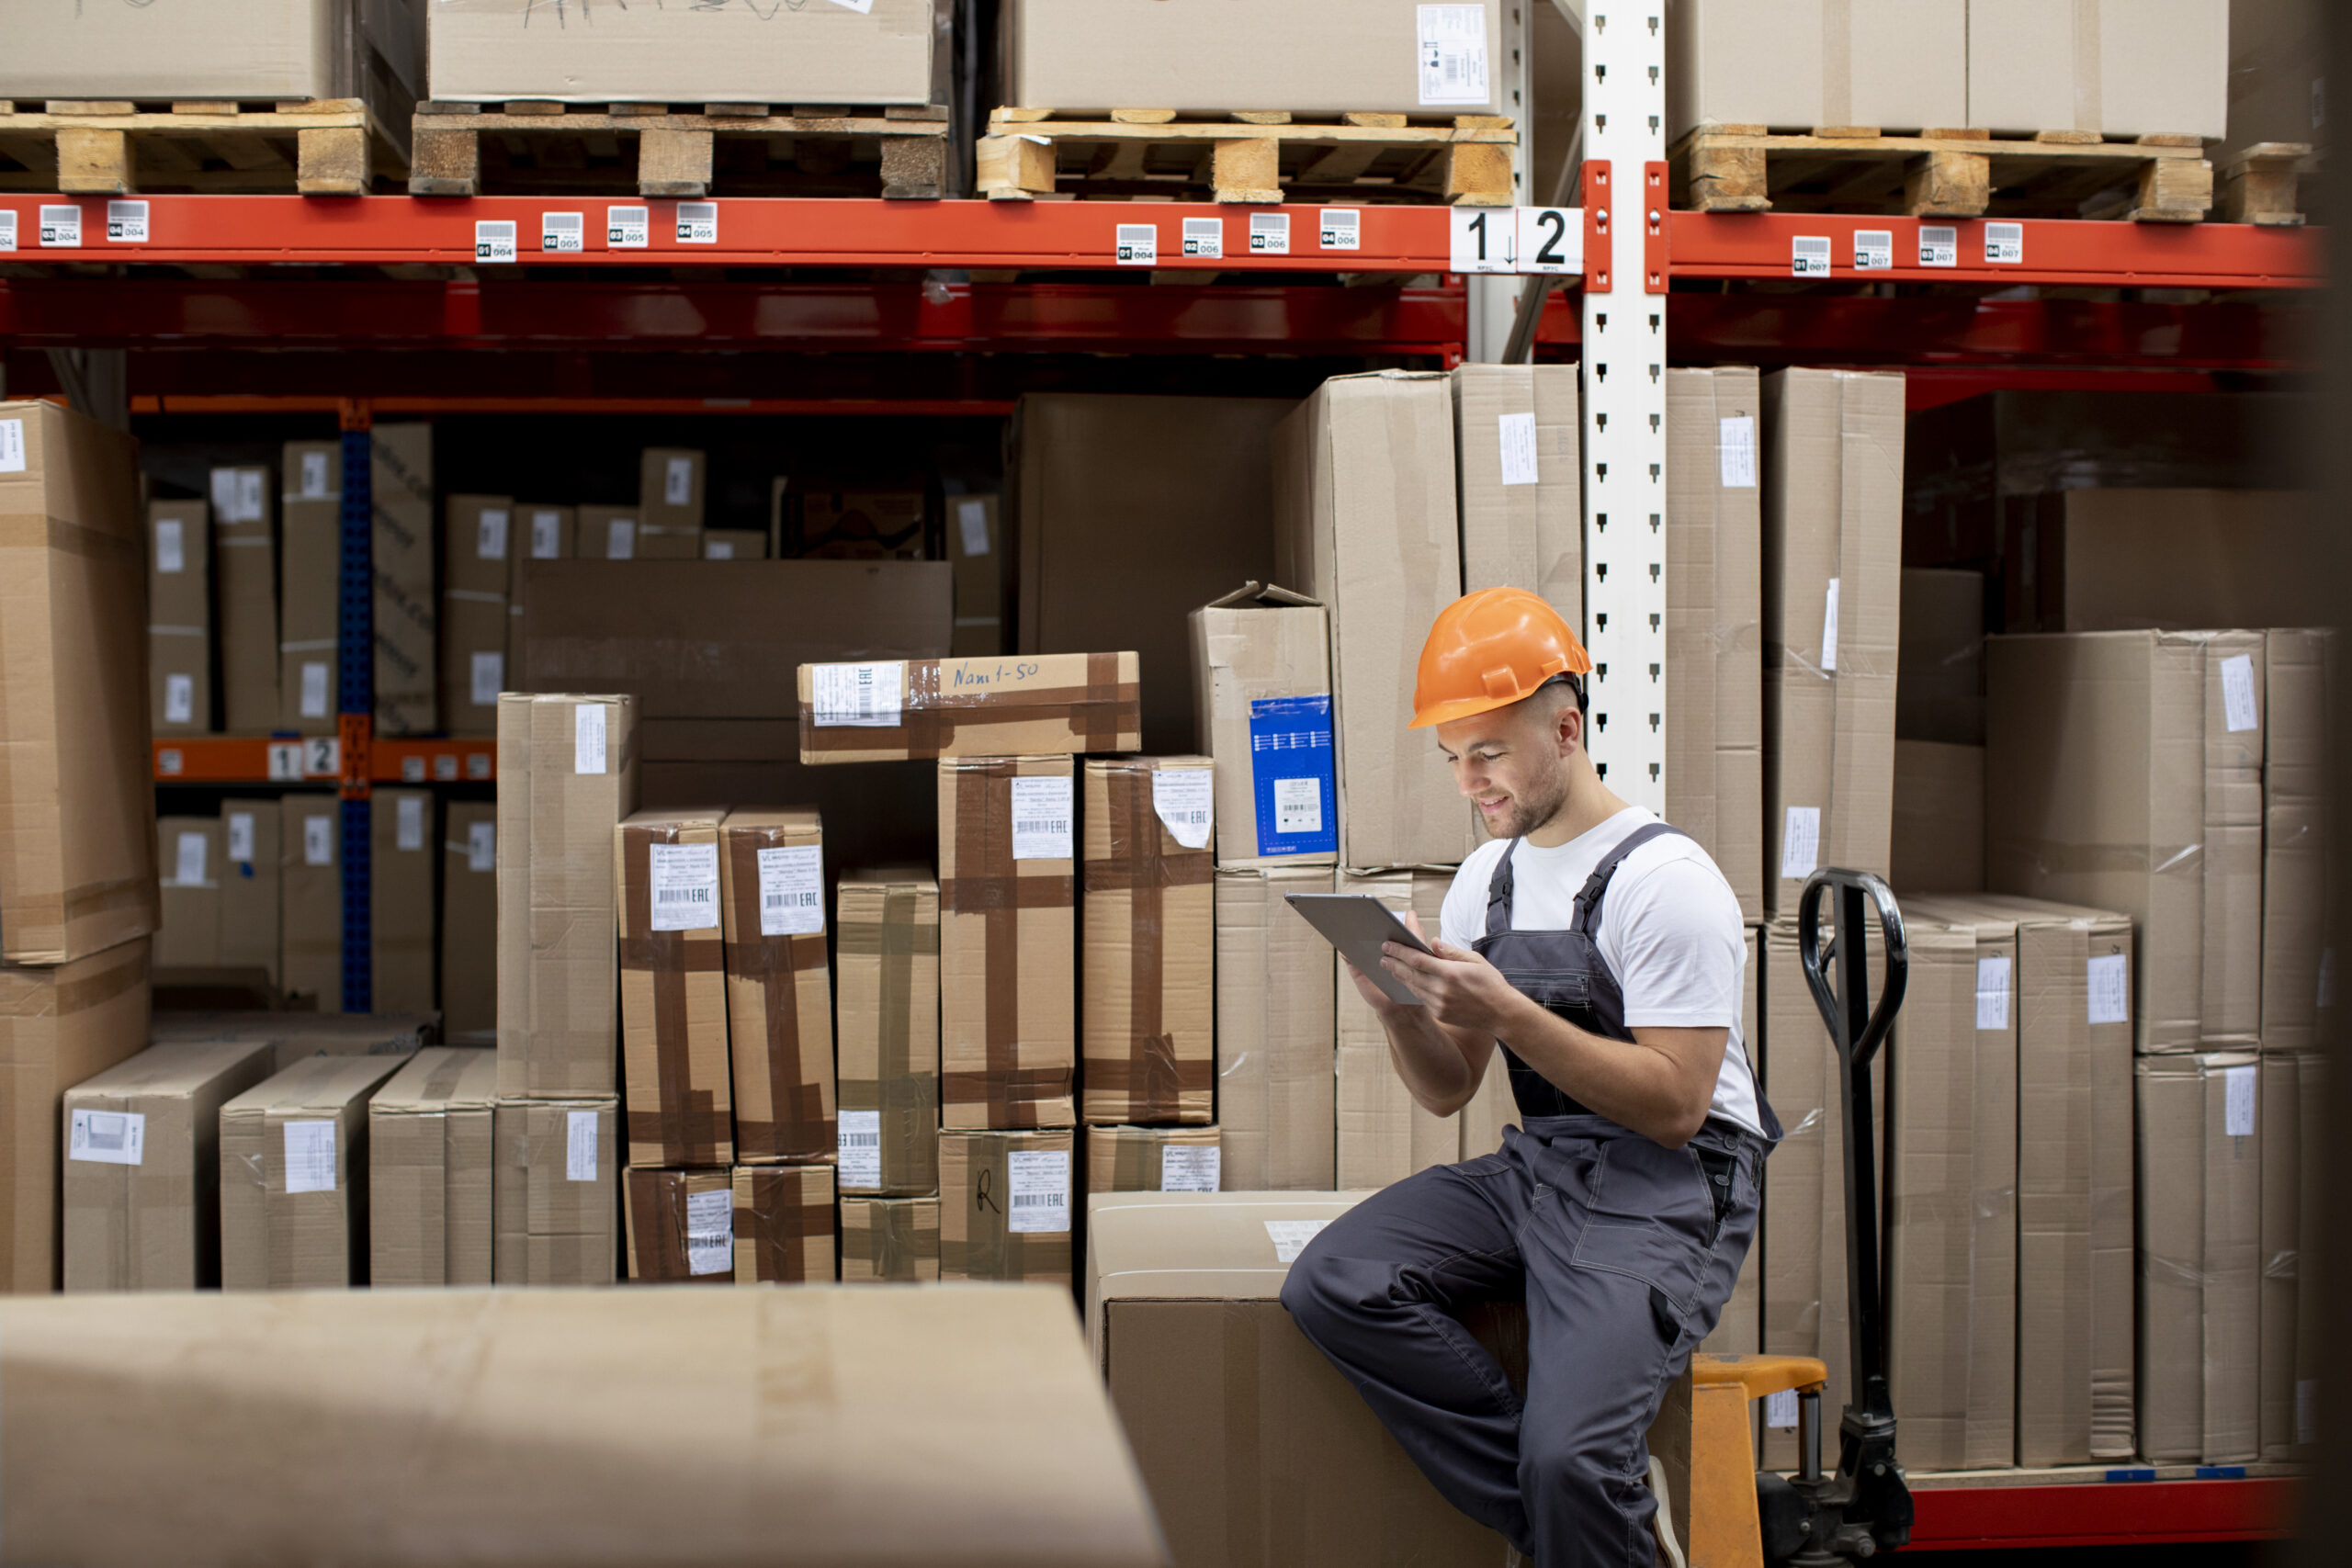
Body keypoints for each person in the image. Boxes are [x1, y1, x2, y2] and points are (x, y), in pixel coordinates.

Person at [1281, 587, 1779, 1568]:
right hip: (1544, 1166)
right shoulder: (1487, 881)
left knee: (1570, 1459)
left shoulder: (1665, 883)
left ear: (1564, 727)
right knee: (1334, 1283)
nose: (1471, 782)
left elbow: (1678, 1105)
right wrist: (1398, 1016)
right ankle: (1589, 1523)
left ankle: (1579, 1498)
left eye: (1490, 752)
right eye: (1453, 758)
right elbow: (1447, 1089)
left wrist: (1510, 1012)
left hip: (1670, 1184)